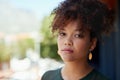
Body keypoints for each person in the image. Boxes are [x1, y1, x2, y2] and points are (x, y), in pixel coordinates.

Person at [41, 0, 115, 80]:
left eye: (77, 35)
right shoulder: (47, 77)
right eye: (63, 34)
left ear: (92, 43)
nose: (67, 42)